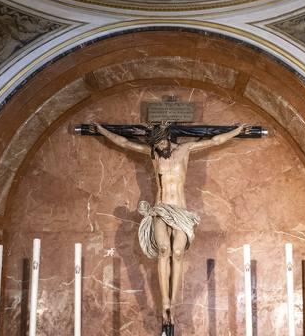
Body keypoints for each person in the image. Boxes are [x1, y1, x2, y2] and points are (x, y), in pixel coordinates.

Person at [94, 122, 245, 324]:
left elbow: (215, 140)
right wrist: (102, 130)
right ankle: (165, 301)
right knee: (164, 250)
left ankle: (174, 303)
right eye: (156, 146)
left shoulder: (185, 149)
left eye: (162, 144)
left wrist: (237, 130)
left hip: (180, 211)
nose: (160, 148)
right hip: (160, 209)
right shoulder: (153, 153)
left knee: (179, 253)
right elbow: (123, 142)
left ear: (168, 139)